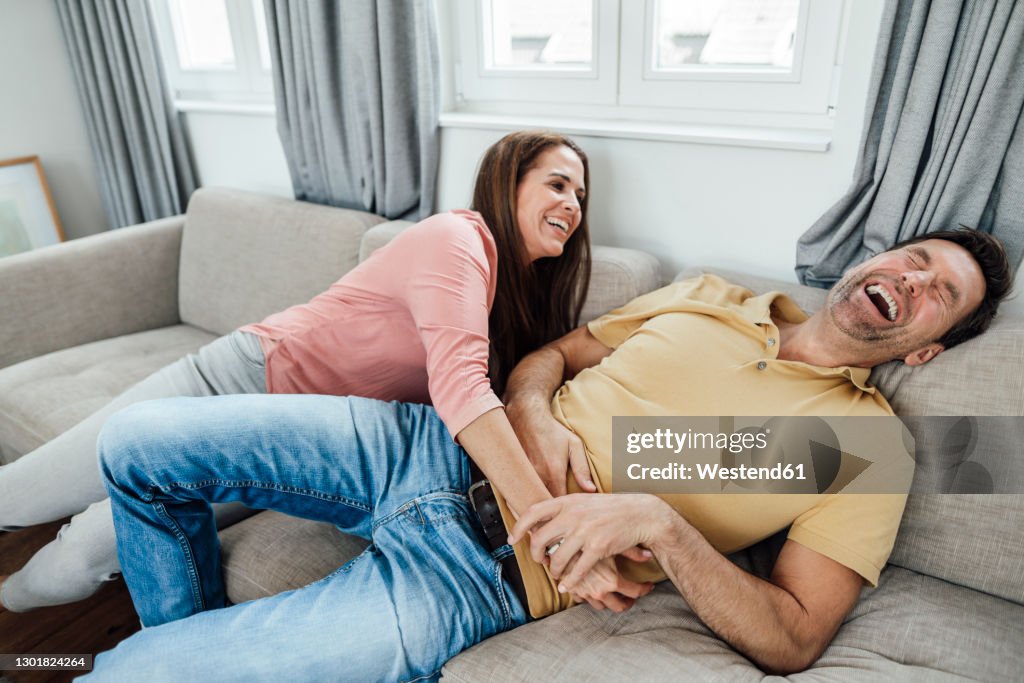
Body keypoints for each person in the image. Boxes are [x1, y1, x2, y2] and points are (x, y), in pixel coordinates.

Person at [85, 229, 1011, 681]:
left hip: (486, 576)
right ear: (870, 257)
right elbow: (558, 357)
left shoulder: (863, 448)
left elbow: (798, 634)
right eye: (916, 256)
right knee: (134, 444)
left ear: (925, 349)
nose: (912, 278)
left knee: (131, 673)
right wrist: (533, 404)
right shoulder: (710, 296)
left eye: (941, 293)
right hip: (427, 447)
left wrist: (663, 524)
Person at [0, 130, 592, 613]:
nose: (572, 205)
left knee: (87, 551)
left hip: (284, 448)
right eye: (558, 184)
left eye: (581, 197)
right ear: (506, 180)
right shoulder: (456, 238)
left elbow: (505, 391)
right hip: (235, 383)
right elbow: (460, 388)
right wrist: (553, 529)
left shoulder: (510, 304)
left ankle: (8, 604)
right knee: (18, 498)